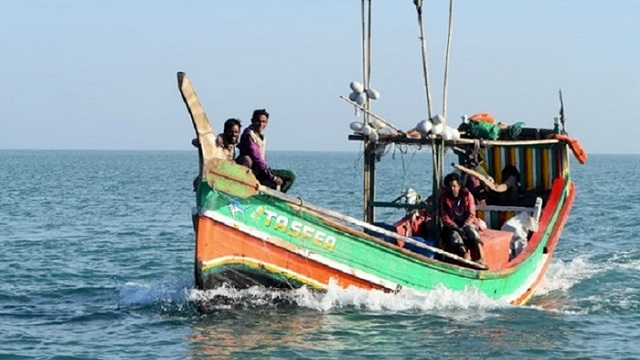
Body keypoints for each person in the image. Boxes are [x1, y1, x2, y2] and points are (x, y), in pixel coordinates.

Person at [237, 109, 295, 193]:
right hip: (255, 171)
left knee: (287, 178)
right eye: (258, 121)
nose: (261, 124)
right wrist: (272, 177)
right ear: (252, 121)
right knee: (290, 176)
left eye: (264, 122)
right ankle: (277, 199)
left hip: (261, 170)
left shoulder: (261, 136)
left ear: (267, 123)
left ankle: (277, 196)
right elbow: (257, 158)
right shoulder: (249, 134)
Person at [440, 172, 486, 266]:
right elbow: (445, 217)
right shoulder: (444, 199)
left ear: (459, 186)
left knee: (471, 230)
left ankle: (482, 257)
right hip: (453, 225)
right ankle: (465, 254)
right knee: (454, 235)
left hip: (467, 222)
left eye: (454, 186)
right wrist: (456, 227)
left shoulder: (467, 195)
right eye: (450, 187)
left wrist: (465, 225)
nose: (452, 189)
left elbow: (472, 214)